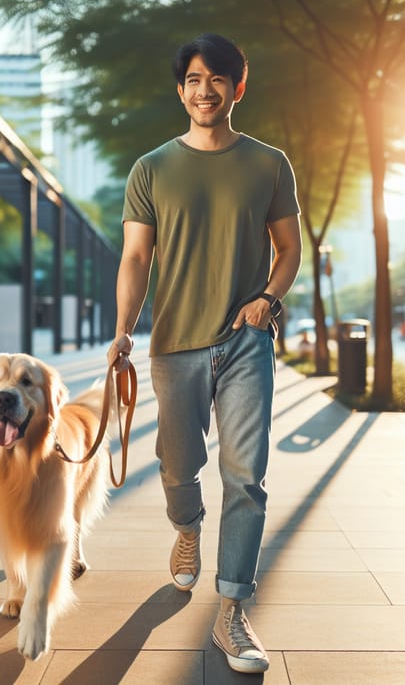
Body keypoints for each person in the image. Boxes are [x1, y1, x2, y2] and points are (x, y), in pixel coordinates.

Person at [107, 33, 302, 674]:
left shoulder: (270, 164)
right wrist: (121, 330)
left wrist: (268, 301)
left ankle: (231, 613)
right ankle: (187, 527)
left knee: (246, 478)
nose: (205, 89)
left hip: (246, 341)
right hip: (173, 345)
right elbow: (136, 258)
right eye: (194, 79)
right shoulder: (152, 168)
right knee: (176, 466)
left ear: (237, 88)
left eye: (217, 79)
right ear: (181, 89)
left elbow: (289, 249)